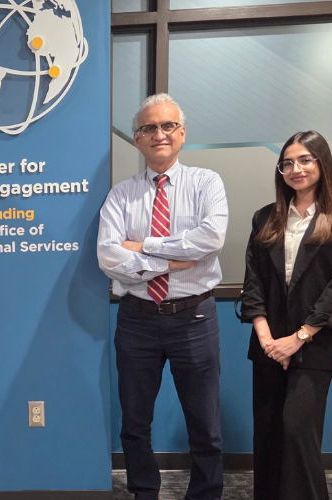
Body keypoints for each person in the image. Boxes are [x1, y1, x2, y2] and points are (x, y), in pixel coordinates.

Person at [97, 93, 228, 500]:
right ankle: (143, 493)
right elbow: (108, 255)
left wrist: (144, 246)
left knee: (205, 423)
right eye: (149, 128)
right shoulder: (121, 194)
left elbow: (210, 238)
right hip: (137, 318)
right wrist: (169, 262)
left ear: (182, 133)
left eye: (167, 125)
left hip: (195, 318)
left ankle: (205, 495)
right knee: (135, 422)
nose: (159, 134)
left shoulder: (207, 182)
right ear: (136, 139)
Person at [239, 131, 332, 499]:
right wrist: (266, 338)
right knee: (267, 433)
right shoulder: (266, 217)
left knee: (298, 431)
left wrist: (298, 339)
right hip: (268, 345)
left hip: (314, 343)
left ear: (322, 163)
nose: (296, 169)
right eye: (288, 163)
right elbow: (254, 281)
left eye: (306, 160)